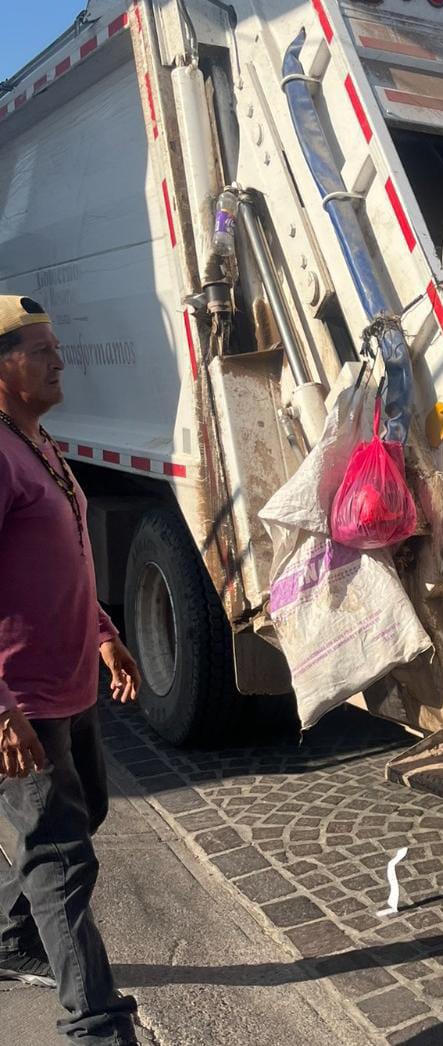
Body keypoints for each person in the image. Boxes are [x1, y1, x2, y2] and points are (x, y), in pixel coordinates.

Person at [0, 295, 142, 1043]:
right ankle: (96, 1025)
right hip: (22, 703)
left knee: (85, 815)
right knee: (60, 858)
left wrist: (103, 633)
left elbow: (66, 560)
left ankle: (5, 933)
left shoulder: (39, 443)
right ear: (0, 370)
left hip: (70, 687)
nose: (59, 358)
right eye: (39, 348)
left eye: (56, 344)